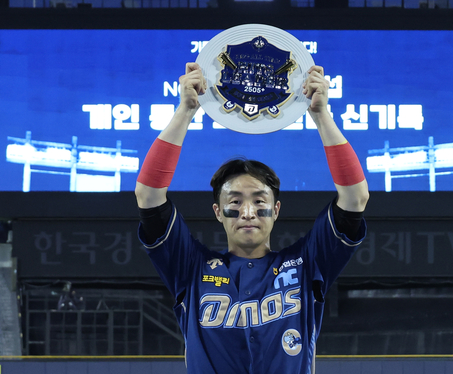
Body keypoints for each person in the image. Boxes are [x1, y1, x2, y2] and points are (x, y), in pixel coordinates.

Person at [135, 63, 369, 373]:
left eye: (259, 201)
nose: (247, 212)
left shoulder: (306, 263)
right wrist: (186, 110)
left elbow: (356, 198)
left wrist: (321, 115)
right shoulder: (190, 267)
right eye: (235, 201)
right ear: (218, 212)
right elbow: (148, 196)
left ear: (276, 210)